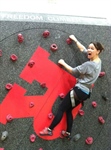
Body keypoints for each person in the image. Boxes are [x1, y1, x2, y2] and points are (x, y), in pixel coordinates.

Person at [39, 34, 104, 139]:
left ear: (98, 51)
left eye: (92, 49)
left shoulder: (89, 65)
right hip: (86, 93)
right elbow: (83, 50)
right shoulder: (98, 61)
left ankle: (49, 129)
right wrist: (75, 40)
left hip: (78, 90)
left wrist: (63, 63)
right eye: (89, 48)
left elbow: (73, 71)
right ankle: (68, 133)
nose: (89, 50)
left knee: (61, 108)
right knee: (68, 110)